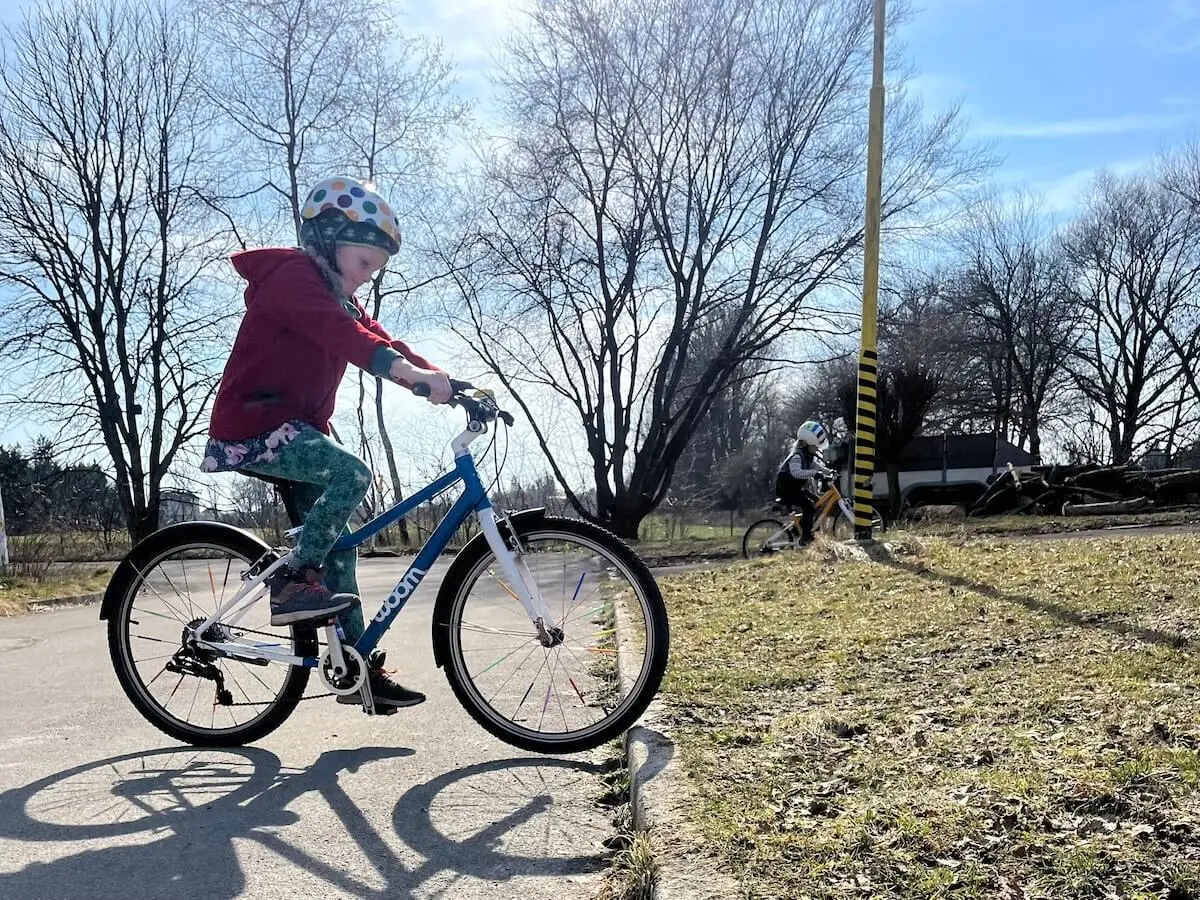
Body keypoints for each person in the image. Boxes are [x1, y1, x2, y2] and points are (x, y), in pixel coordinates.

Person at [200, 175, 453, 711]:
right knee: (352, 474)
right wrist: (408, 374)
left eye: (375, 270)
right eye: (363, 264)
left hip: (296, 430)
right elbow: (349, 341)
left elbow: (382, 339)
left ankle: (357, 667)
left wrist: (445, 380)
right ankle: (293, 580)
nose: (367, 278)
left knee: (341, 546)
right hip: (257, 426)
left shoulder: (341, 298)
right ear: (329, 239)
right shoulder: (293, 278)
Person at [774, 420, 834, 545]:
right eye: (815, 446)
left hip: (794, 488)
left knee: (817, 502)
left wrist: (829, 471)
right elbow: (796, 473)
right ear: (807, 444)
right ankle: (806, 536)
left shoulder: (807, 456)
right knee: (809, 506)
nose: (817, 448)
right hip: (786, 489)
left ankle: (801, 528)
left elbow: (816, 466)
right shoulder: (797, 456)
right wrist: (814, 474)